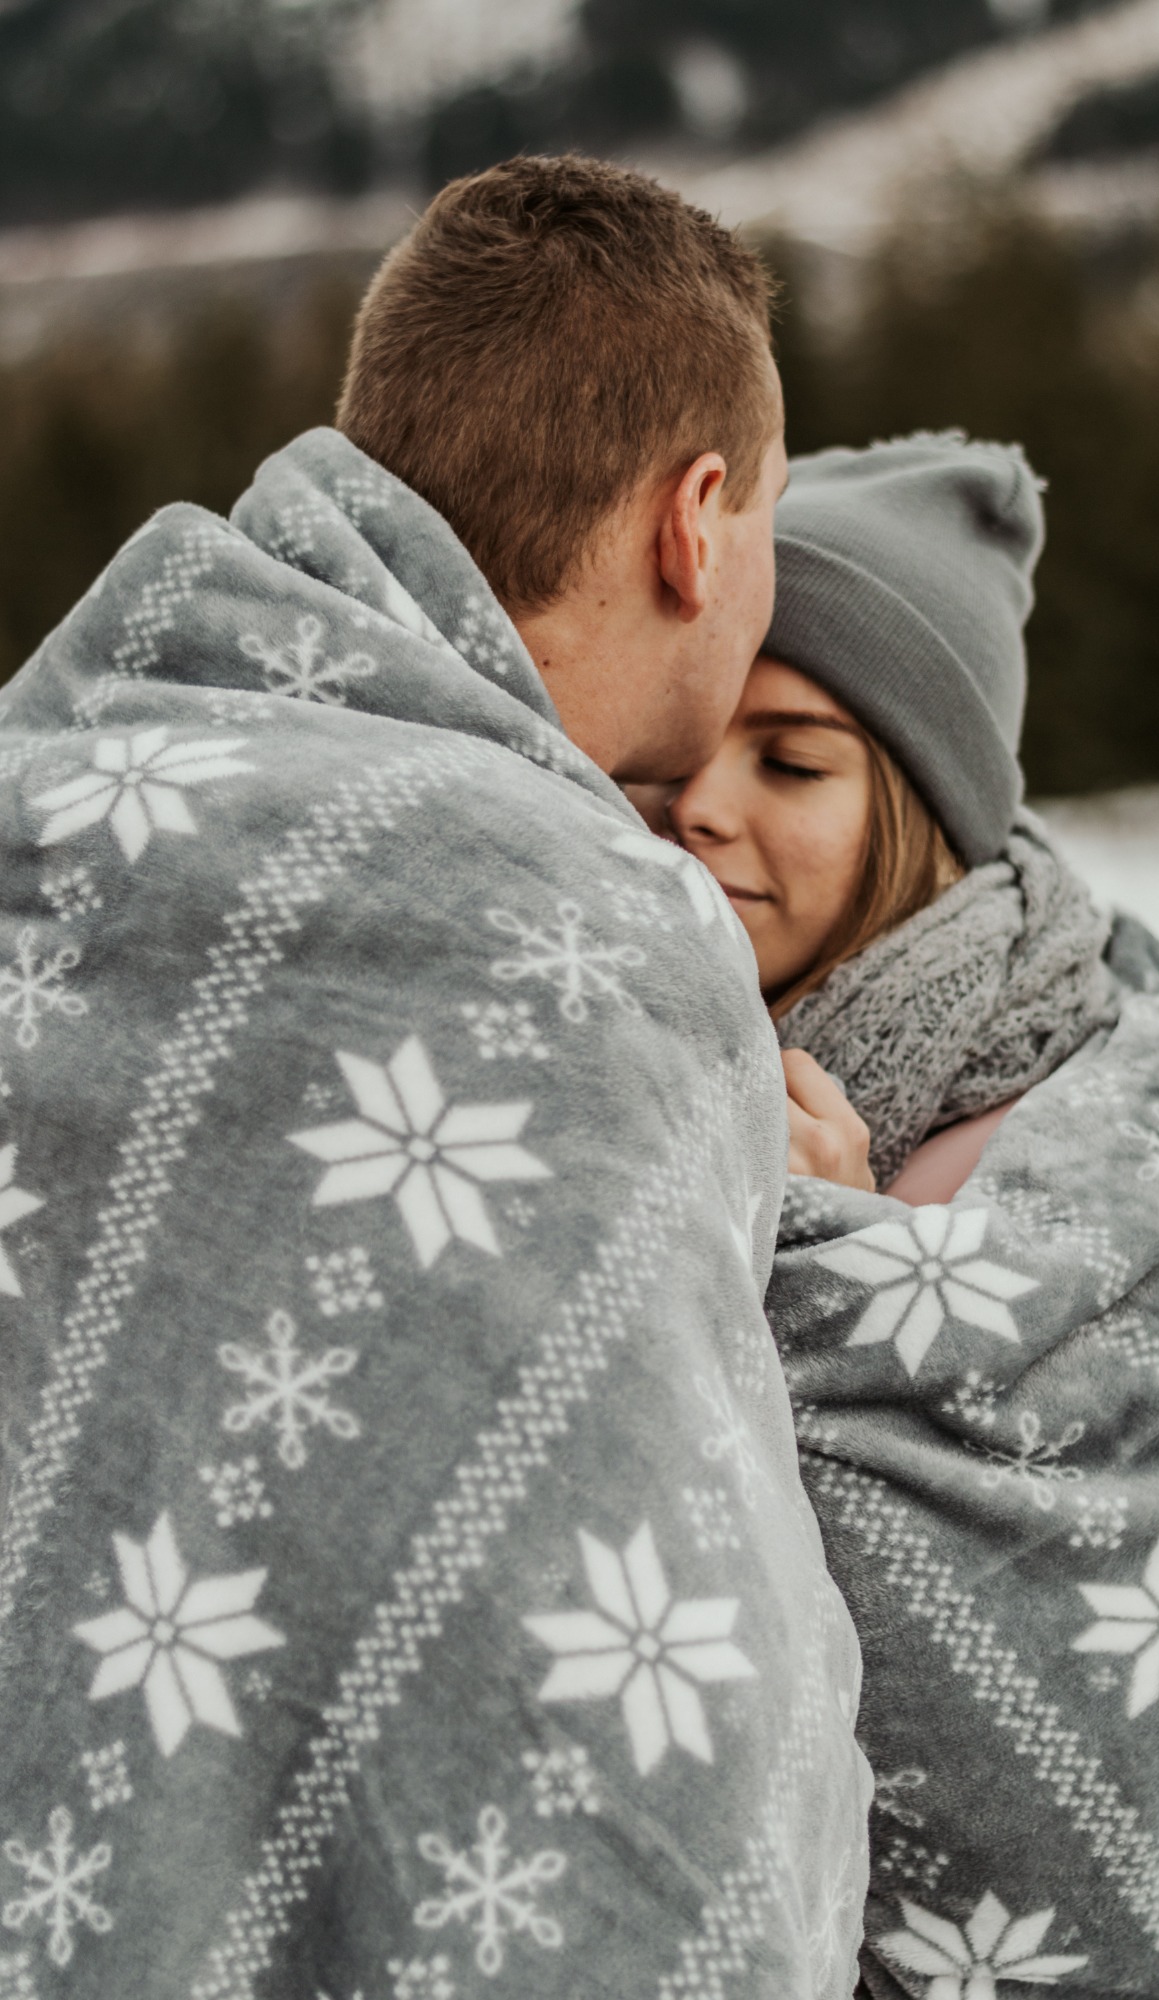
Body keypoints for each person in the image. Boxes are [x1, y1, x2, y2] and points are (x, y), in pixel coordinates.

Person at [0, 158, 875, 1999]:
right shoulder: (581, 936)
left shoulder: (48, 798)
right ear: (695, 523)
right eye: (773, 514)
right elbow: (654, 1720)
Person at [659, 437, 1159, 1998]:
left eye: (791, 763)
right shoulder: (650, 1051)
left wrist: (836, 1272)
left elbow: (1065, 1650)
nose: (701, 810)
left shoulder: (1101, 1129)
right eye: (682, 751)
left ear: (925, 809)